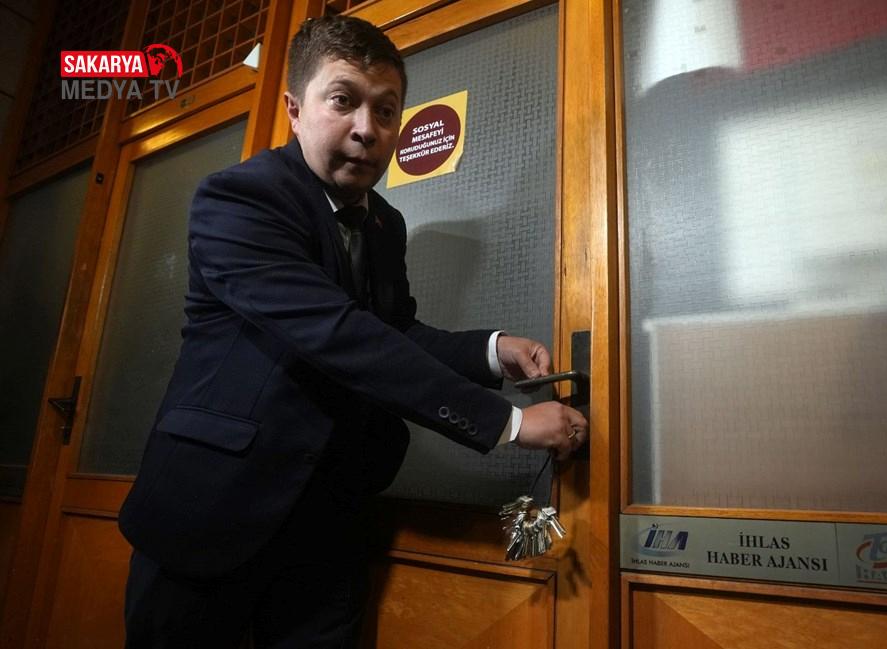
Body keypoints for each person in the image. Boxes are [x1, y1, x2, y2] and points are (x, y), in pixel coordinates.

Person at [118, 13, 588, 649]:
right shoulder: (241, 197)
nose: (367, 129)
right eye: (343, 101)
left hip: (331, 520)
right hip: (212, 509)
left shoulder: (385, 224)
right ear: (294, 109)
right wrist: (507, 423)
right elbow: (336, 333)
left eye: (386, 110)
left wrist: (491, 351)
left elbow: (393, 330)